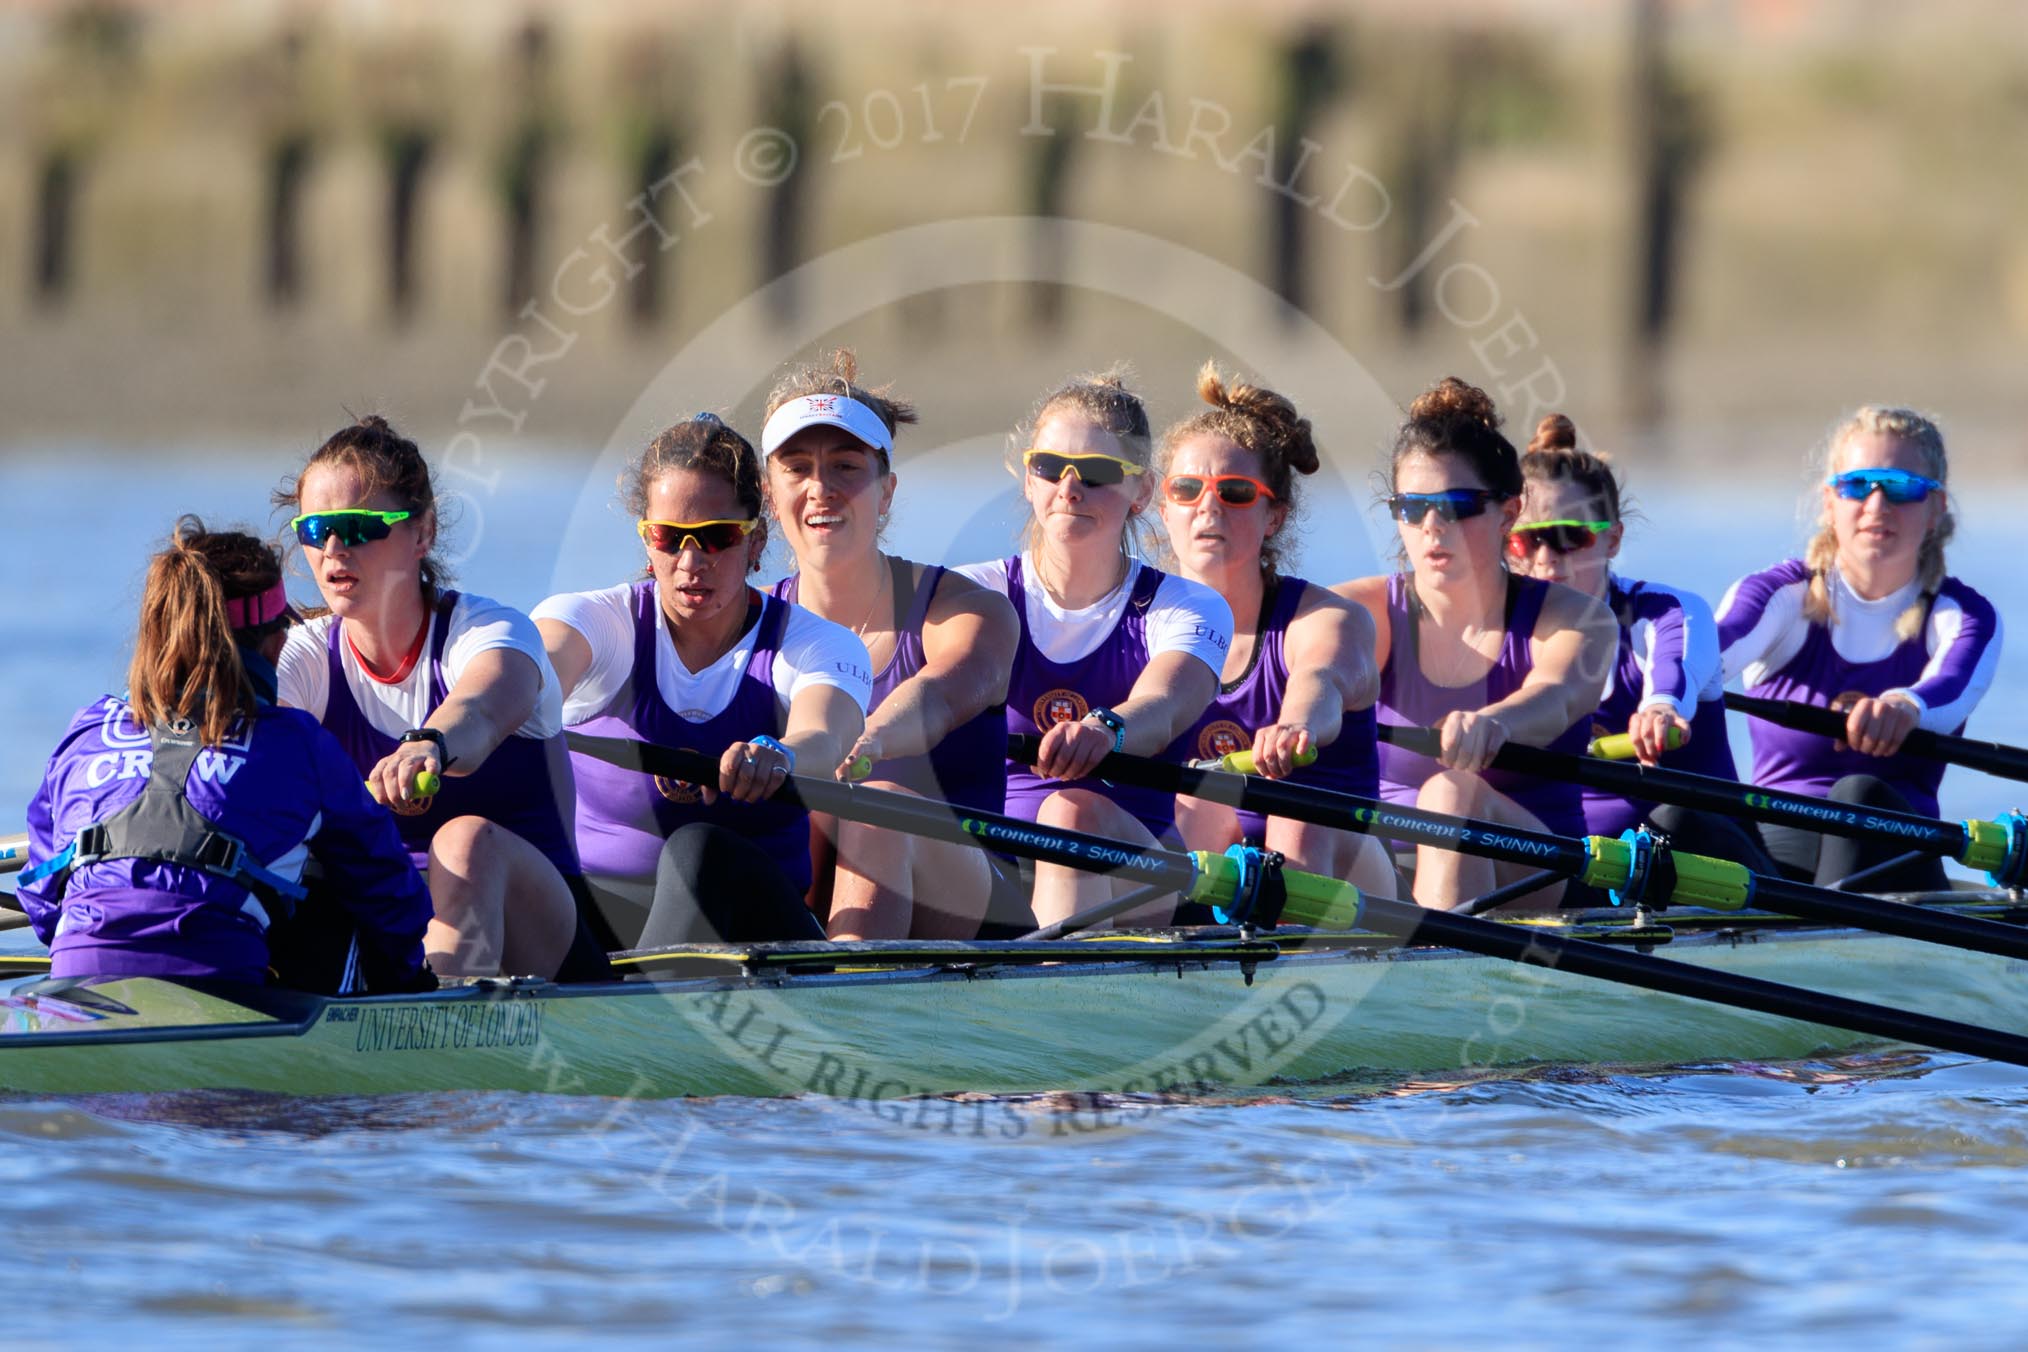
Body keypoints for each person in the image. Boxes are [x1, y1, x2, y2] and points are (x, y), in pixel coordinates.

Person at [18, 519, 433, 991]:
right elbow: (388, 889)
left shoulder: (87, 727)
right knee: (331, 899)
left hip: (79, 971)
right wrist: (411, 984)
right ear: (275, 641)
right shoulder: (299, 742)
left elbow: (39, 893)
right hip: (216, 976)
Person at [535, 414, 871, 950]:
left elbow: (824, 739)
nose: (691, 562)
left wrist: (778, 756)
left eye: (716, 538)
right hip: (602, 917)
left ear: (756, 539)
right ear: (646, 540)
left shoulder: (816, 645)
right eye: (669, 538)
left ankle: (642, 1020)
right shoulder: (598, 622)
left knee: (699, 850)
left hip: (755, 929)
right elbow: (531, 675)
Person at [275, 416, 582, 979]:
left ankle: (442, 1027)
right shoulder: (304, 655)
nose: (335, 547)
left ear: (423, 533)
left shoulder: (493, 632)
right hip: (387, 919)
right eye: (316, 530)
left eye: (359, 526)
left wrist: (429, 747)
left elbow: (483, 707)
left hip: (541, 937)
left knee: (462, 841)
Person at [955, 370, 1234, 929]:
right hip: (997, 860)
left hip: (1140, 872)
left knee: (1069, 810)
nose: (1069, 488)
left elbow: (1168, 700)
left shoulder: (1186, 605)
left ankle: (1053, 997)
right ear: (1029, 480)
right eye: (1050, 468)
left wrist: (1108, 729)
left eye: (1100, 473)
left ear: (1142, 492)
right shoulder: (970, 593)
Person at [760, 352, 1021, 940]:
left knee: (874, 804)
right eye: (797, 468)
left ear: (887, 491)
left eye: (847, 467)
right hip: (806, 890)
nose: (821, 489)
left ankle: (847, 1006)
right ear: (769, 494)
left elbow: (947, 689)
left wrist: (870, 737)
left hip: (978, 910)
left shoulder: (965, 608)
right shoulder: (746, 625)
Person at [1336, 378, 1615, 911]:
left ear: (1509, 513)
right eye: (1413, 507)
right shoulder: (1354, 613)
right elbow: (1308, 667)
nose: (1433, 526)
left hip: (1533, 869)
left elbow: (1556, 694)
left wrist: (1498, 722)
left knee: (1449, 792)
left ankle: (1430, 981)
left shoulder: (1578, 618)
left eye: (1457, 505)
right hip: (1387, 864)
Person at [1717, 405, 2001, 891]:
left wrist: (1903, 705)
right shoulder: (1779, 598)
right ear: (1830, 502)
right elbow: (1703, 661)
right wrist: (1657, 697)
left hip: (1899, 853)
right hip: (1778, 855)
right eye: (1857, 485)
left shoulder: (1964, 616)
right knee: (1674, 819)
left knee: (1860, 793)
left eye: (1901, 487)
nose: (1876, 504)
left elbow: (1950, 686)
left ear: (1936, 508)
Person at [1155, 361, 1395, 898]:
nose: (1208, 506)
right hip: (1206, 853)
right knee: (1190, 806)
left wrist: (1293, 726)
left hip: (1336, 865)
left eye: (1235, 492)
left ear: (1274, 516)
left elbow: (1321, 680)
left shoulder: (1327, 619)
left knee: (1291, 819)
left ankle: (1288, 969)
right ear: (1163, 508)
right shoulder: (1133, 622)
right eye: (1187, 489)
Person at [1510, 415, 1773, 869]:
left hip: (1703, 859)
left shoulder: (1666, 611)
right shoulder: (1496, 631)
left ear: (1612, 540)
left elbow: (1674, 672)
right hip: (1572, 866)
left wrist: (1660, 709)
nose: (1546, 558)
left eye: (1569, 536)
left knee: (1674, 819)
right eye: (1525, 542)